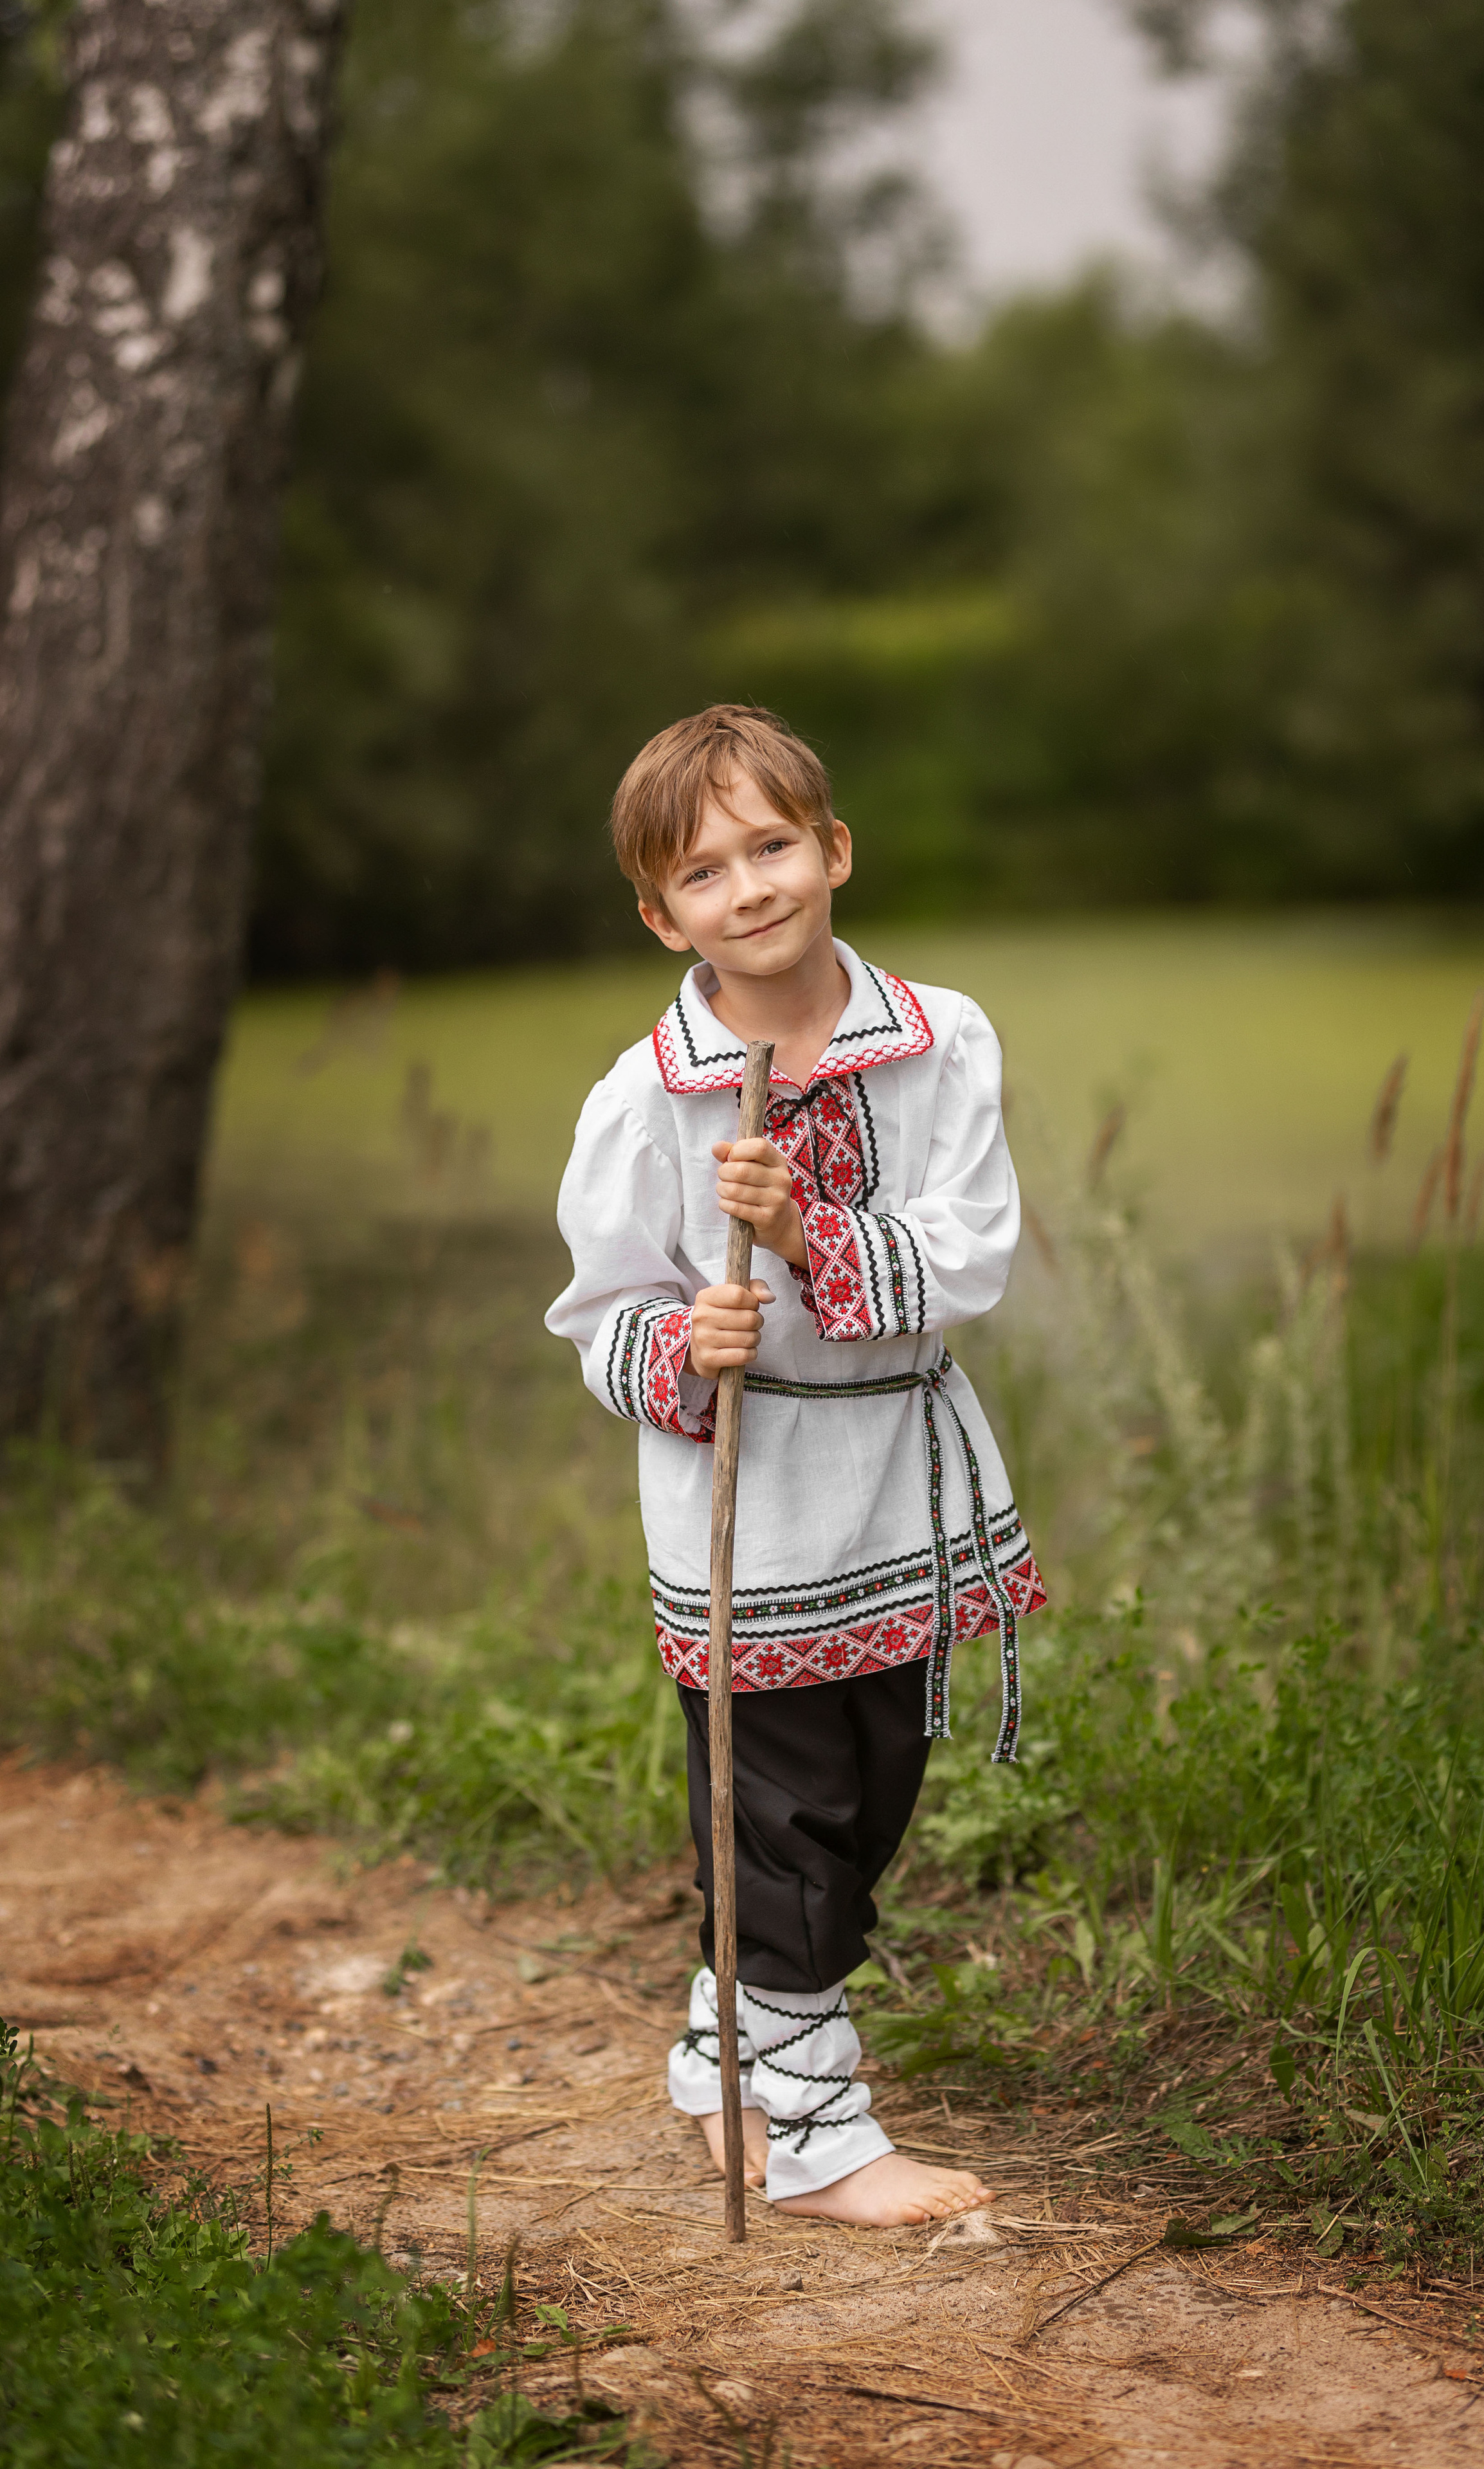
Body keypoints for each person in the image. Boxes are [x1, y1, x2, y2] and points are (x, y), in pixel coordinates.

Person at [546, 705, 1045, 2227]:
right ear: (660, 916)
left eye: (771, 846)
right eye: (704, 872)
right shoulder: (649, 1098)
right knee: (783, 1811)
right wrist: (681, 1345)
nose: (748, 888)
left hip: (895, 1472)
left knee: (875, 1781)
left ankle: (722, 2055)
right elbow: (595, 1311)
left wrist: (802, 1233)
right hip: (747, 1503)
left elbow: (970, 1255)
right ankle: (818, 2135)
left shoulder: (941, 1037)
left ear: (831, 848)